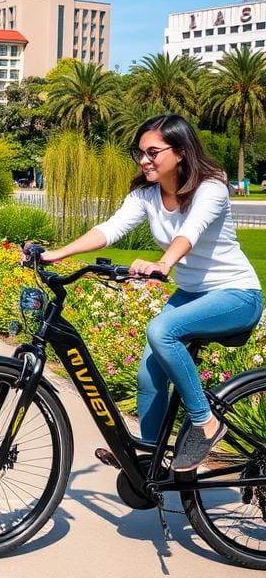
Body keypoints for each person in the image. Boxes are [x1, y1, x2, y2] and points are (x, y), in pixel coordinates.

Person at [37, 114, 262, 472]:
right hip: (191, 294)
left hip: (236, 294)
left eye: (153, 152)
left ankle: (206, 424)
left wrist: (164, 262)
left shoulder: (211, 187)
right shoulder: (146, 194)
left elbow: (190, 230)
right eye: (139, 153)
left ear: (181, 152)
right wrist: (58, 253)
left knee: (161, 331)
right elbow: (110, 229)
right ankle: (151, 457)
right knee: (148, 373)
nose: (144, 160)